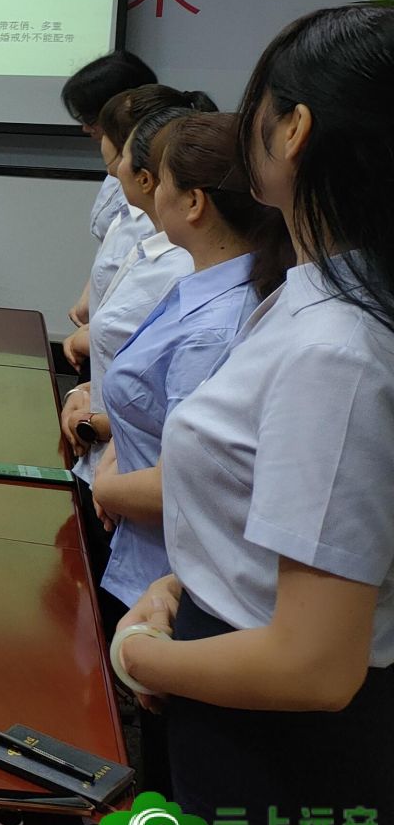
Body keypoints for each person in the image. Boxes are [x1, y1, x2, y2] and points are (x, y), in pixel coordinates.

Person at [115, 6, 394, 825]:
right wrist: (181, 587)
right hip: (229, 682)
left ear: (295, 129)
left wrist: (142, 657)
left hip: (282, 748)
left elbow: (314, 665)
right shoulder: (312, 293)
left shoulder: (337, 347)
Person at [91, 114, 291, 616]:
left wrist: (106, 486)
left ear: (195, 202)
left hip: (170, 581)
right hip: (141, 547)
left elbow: (183, 477)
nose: (153, 192)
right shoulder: (203, 284)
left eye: (163, 181)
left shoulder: (216, 325)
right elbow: (151, 407)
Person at [63, 83, 200, 370]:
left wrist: (90, 338)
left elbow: (135, 342)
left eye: (124, 154)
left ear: (145, 177)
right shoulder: (142, 219)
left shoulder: (172, 255)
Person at [61, 50, 158, 328]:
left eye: (90, 117)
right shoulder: (119, 167)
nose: (85, 128)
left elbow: (142, 268)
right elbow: (112, 246)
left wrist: (101, 328)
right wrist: (90, 293)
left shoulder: (154, 177)